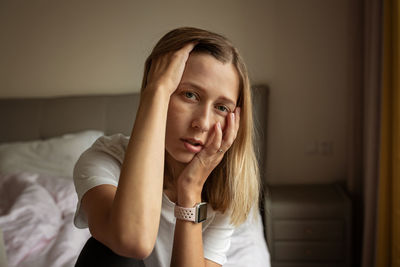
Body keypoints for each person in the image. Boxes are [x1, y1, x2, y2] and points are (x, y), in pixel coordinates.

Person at [73, 26, 260, 267]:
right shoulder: (106, 159)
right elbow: (133, 241)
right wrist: (157, 91)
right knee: (106, 252)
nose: (202, 123)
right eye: (190, 95)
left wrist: (191, 190)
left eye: (222, 108)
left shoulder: (225, 188)